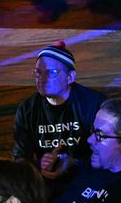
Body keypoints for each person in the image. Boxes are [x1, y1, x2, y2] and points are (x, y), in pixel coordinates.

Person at [11, 43, 107, 194]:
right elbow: (20, 158)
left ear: (70, 77)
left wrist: (74, 164)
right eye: (38, 73)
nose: (41, 79)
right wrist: (38, 165)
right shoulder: (27, 109)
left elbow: (109, 153)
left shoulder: (93, 104)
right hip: (48, 181)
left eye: (52, 72)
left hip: (89, 179)